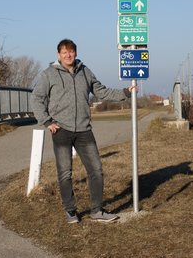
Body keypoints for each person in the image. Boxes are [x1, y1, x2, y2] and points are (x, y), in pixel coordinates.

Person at [31, 38, 136, 224]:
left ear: (76, 53)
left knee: (96, 169)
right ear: (58, 55)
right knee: (65, 173)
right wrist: (47, 122)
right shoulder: (49, 74)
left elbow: (101, 91)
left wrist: (125, 93)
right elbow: (37, 99)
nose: (68, 55)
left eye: (71, 52)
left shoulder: (85, 71)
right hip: (61, 130)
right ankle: (70, 211)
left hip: (84, 130)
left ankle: (97, 210)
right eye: (64, 52)